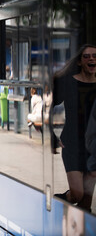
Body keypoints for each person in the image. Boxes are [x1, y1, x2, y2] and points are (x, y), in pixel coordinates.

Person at [52, 44, 96, 212]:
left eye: (94, 56)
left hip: (93, 148)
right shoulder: (68, 83)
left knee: (86, 202)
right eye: (87, 56)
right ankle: (59, 201)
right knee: (77, 194)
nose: (91, 59)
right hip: (72, 144)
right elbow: (48, 106)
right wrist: (52, 137)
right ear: (79, 62)